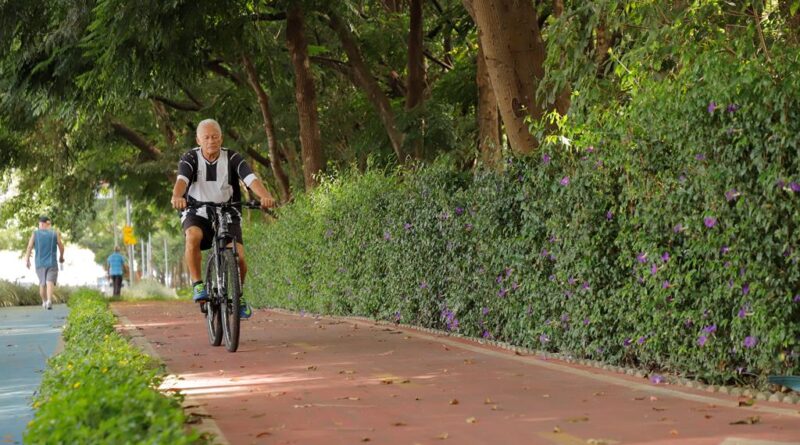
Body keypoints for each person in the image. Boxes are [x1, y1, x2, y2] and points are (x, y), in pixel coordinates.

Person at [170, 119, 275, 319]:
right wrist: (177, 197)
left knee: (240, 257)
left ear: (221, 138)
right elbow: (181, 181)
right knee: (192, 236)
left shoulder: (233, 158)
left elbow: (250, 178)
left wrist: (264, 196)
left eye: (215, 137)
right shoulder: (190, 158)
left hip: (227, 211)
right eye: (207, 137)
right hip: (197, 210)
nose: (211, 141)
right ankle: (198, 284)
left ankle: (238, 296)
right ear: (198, 139)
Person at [24, 215, 65, 310]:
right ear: (46, 224)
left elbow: (29, 247)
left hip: (39, 263)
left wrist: (27, 259)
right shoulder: (55, 234)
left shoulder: (35, 234)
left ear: (41, 224)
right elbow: (61, 246)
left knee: (42, 283)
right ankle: (49, 301)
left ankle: (44, 301)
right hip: (52, 263)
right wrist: (61, 257)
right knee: (49, 281)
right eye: (49, 224)